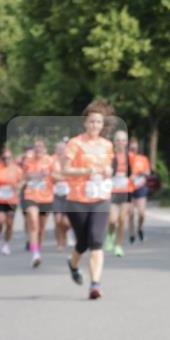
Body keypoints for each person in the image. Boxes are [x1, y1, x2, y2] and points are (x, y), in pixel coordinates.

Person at [62, 99, 114, 300]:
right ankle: (73, 264)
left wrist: (108, 171)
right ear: (85, 123)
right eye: (91, 122)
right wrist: (86, 170)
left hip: (100, 197)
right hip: (77, 199)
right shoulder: (75, 144)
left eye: (99, 122)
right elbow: (65, 170)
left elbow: (109, 167)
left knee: (96, 241)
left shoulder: (107, 145)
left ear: (103, 125)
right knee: (82, 242)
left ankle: (95, 284)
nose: (95, 126)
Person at [22, 138, 54, 267]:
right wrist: (35, 175)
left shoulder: (50, 160)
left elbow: (58, 175)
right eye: (36, 146)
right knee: (34, 223)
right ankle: (35, 254)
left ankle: (37, 249)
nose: (38, 149)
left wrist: (50, 174)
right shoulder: (28, 160)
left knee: (41, 228)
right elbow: (24, 176)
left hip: (46, 198)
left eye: (40, 146)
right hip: (31, 195)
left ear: (45, 148)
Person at [0, 147, 24, 255]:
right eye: (4, 158)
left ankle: (6, 244)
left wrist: (18, 187)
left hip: (12, 200)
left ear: (12, 158)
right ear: (1, 158)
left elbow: (22, 181)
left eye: (8, 158)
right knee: (0, 220)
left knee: (9, 224)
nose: (6, 160)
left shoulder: (17, 169)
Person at [105, 129, 132, 257]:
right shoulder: (109, 155)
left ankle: (118, 245)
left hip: (126, 192)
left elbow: (136, 174)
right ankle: (110, 235)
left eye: (123, 140)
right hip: (112, 191)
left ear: (126, 142)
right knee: (112, 220)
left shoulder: (131, 157)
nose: (121, 142)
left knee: (122, 220)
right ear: (114, 142)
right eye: (118, 140)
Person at [127, 137, 150, 243]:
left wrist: (142, 173)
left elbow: (148, 172)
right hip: (128, 187)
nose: (133, 147)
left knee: (141, 213)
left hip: (140, 186)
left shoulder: (143, 159)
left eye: (135, 145)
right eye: (131, 145)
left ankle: (140, 228)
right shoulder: (125, 159)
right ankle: (132, 233)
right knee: (131, 213)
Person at [51, 140, 71, 251]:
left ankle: (66, 234)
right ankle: (59, 243)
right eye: (59, 149)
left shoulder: (69, 160)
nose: (61, 151)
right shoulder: (52, 160)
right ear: (55, 150)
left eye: (63, 149)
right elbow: (52, 176)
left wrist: (60, 177)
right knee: (57, 220)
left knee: (67, 222)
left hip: (68, 194)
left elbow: (73, 176)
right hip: (55, 194)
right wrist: (65, 177)